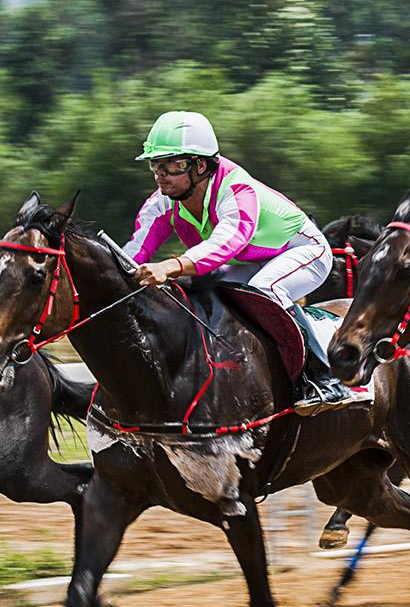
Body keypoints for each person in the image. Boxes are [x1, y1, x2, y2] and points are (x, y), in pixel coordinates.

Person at [126, 110, 354, 414]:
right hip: (253, 259)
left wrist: (169, 266)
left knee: (264, 288)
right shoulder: (161, 203)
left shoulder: (236, 188)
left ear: (201, 166)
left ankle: (323, 378)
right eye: (156, 165)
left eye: (173, 164)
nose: (160, 174)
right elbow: (132, 253)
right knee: (215, 295)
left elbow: (227, 242)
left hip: (303, 250)